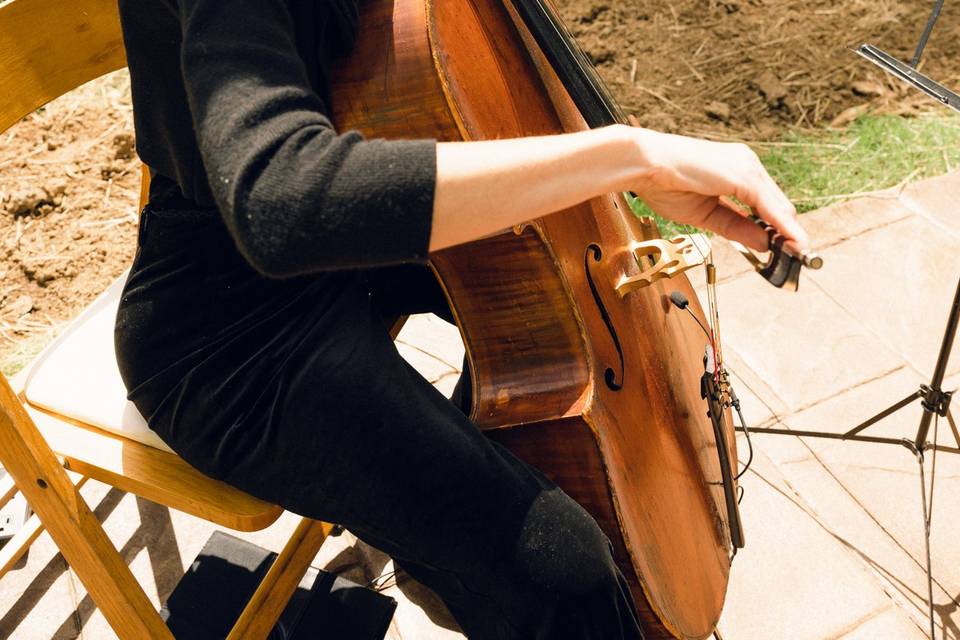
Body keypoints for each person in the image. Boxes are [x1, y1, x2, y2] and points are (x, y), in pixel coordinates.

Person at [114, 1, 809, 638]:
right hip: (231, 336)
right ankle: (469, 559)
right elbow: (282, 205)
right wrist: (626, 155)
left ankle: (454, 551)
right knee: (566, 573)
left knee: (540, 323)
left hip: (358, 245)